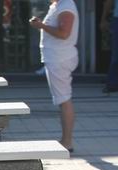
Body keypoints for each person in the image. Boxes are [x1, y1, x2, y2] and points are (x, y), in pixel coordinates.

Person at [30, 0, 79, 153]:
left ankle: (67, 142)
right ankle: (65, 140)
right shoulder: (57, 5)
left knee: (64, 99)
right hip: (56, 57)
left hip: (60, 58)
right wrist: (42, 25)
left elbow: (64, 33)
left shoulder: (66, 7)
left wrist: (42, 26)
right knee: (62, 99)